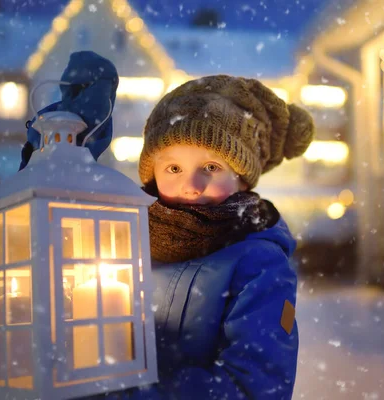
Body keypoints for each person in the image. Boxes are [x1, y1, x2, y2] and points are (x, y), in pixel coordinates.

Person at [109, 74, 315, 400]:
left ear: (243, 180)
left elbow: (254, 386)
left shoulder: (258, 262)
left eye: (211, 167)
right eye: (173, 168)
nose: (192, 184)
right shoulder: (124, 242)